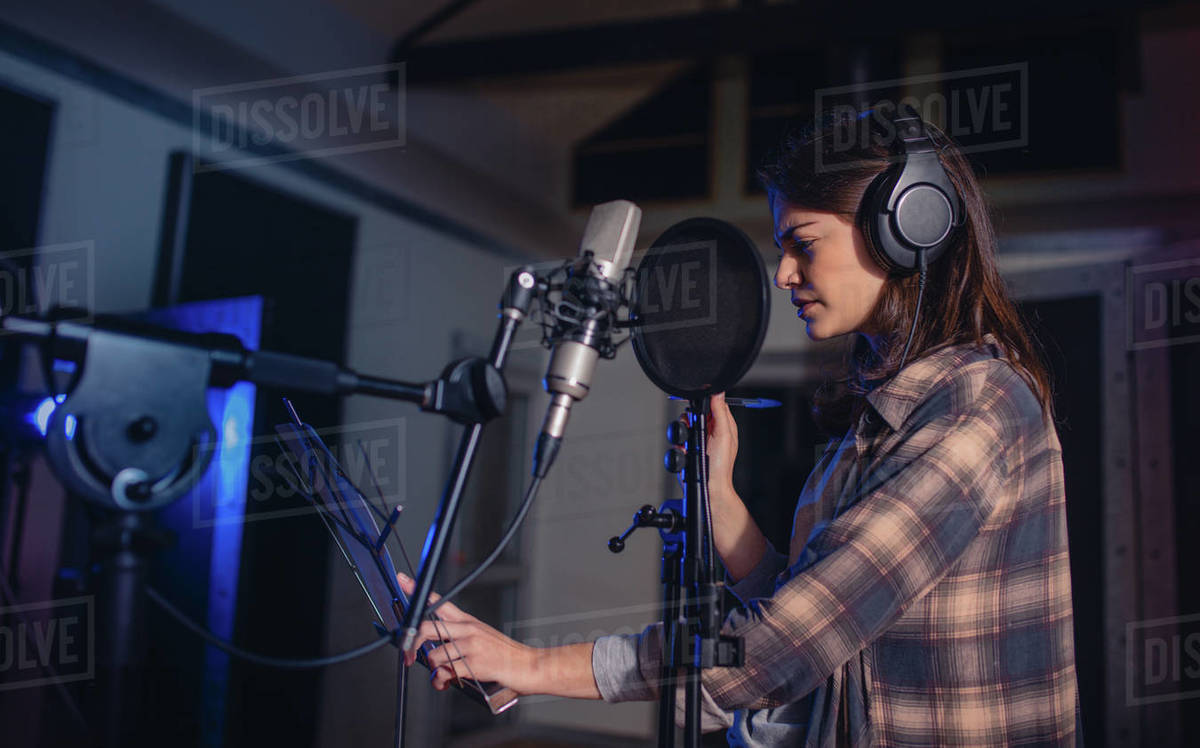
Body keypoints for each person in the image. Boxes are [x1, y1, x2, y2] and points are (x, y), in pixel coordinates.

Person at [399, 106, 1080, 746]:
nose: (784, 273)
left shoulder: (976, 407)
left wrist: (529, 664)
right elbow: (820, 611)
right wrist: (720, 501)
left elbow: (782, 647)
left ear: (908, 227)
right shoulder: (885, 412)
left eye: (802, 244)